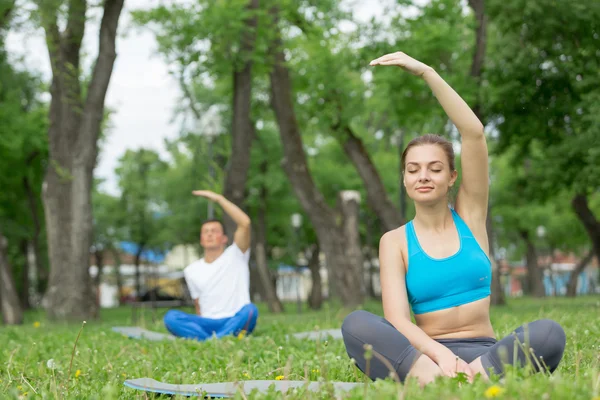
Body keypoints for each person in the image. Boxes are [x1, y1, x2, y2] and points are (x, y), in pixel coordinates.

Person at [341, 52, 566, 386]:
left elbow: (473, 132)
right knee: (356, 325)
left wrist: (427, 72)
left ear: (452, 177)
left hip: (487, 355)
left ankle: (466, 380)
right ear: (404, 180)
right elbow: (399, 321)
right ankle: (444, 380)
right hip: (426, 358)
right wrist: (442, 357)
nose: (423, 176)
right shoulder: (395, 241)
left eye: (435, 168)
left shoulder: (471, 218)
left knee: (549, 333)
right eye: (413, 170)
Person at [163, 190, 258, 341]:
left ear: (224, 238)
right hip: (206, 323)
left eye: (214, 231)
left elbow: (244, 223)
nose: (209, 234)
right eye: (206, 232)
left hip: (234, 319)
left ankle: (209, 340)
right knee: (171, 317)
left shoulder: (236, 254)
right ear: (201, 239)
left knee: (251, 311)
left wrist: (220, 199)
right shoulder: (191, 270)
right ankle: (219, 339)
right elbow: (198, 304)